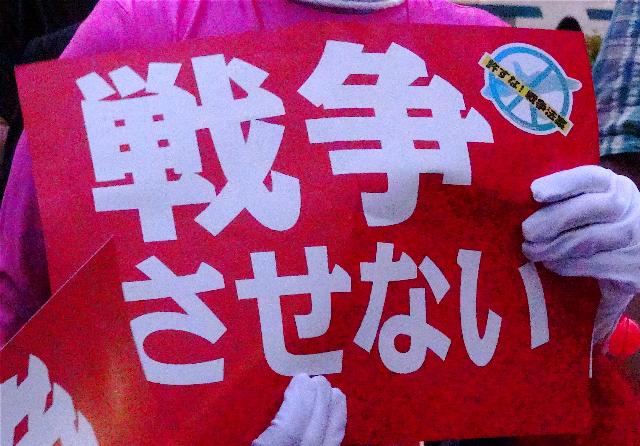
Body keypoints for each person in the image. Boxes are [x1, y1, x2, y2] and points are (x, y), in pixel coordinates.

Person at [0, 0, 638, 444]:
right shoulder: (142, 29)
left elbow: (526, 388)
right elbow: (18, 310)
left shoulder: (492, 61)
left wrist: (591, 311)